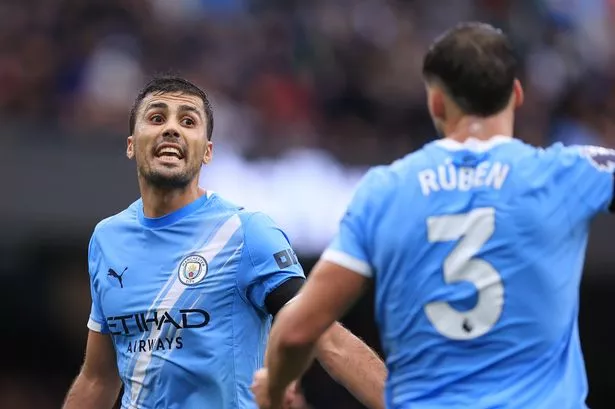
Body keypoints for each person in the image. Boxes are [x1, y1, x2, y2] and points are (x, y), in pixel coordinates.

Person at [254, 22, 615, 409]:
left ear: (436, 103)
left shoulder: (386, 191)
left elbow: (299, 331)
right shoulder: (567, 172)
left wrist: (276, 390)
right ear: (517, 94)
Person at [62, 76, 386, 409]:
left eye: (188, 121)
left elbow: (329, 340)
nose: (171, 129)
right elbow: (98, 377)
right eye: (157, 118)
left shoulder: (245, 232)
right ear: (131, 144)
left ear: (207, 151)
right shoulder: (107, 239)